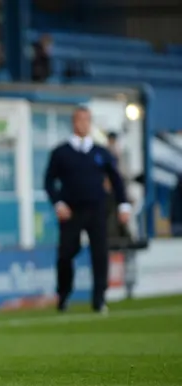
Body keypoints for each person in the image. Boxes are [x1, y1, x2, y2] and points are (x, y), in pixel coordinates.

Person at [44, 106, 130, 314]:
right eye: (79, 120)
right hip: (71, 211)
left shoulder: (101, 152)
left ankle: (99, 299)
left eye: (86, 120)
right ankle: (63, 296)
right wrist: (58, 203)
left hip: (96, 209)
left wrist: (123, 204)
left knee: (100, 255)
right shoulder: (61, 152)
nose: (82, 124)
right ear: (73, 123)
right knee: (65, 254)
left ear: (90, 123)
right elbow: (48, 182)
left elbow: (116, 180)